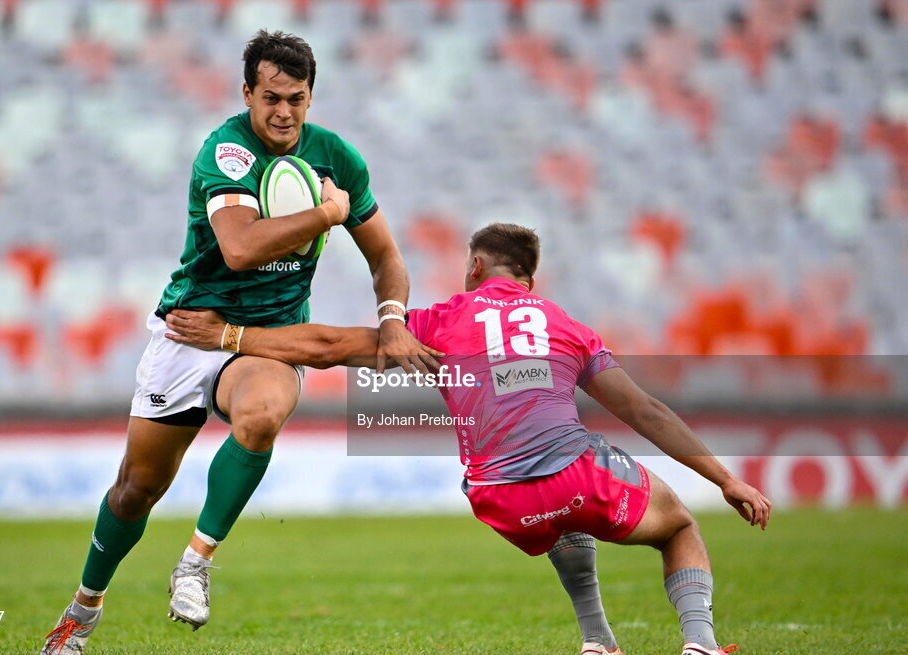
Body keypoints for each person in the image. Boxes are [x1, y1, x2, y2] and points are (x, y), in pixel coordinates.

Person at [165, 223, 771, 655]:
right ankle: (701, 645)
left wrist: (230, 337)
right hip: (576, 476)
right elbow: (643, 409)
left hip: (497, 498)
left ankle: (596, 641)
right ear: (530, 282)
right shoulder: (568, 326)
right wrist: (726, 479)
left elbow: (325, 346)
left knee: (560, 514)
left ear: (474, 269)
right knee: (680, 525)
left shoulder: (436, 323)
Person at [40, 30, 436, 655]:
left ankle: (196, 562)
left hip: (268, 340)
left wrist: (392, 317)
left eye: (298, 99)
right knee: (137, 488)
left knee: (262, 414)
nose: (284, 112)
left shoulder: (338, 158)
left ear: (311, 97)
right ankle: (81, 612)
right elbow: (241, 247)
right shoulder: (225, 151)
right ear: (247, 91)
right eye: (271, 97)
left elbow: (386, 252)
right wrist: (327, 216)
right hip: (190, 330)